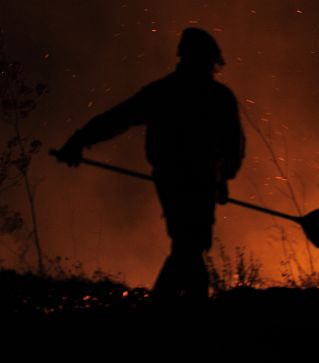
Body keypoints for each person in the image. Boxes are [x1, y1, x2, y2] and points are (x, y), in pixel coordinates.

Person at [56, 27, 245, 300]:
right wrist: (224, 177)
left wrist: (78, 141)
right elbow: (233, 145)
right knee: (190, 245)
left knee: (188, 246)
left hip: (174, 178)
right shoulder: (217, 96)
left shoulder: (165, 91)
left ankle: (171, 306)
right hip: (199, 179)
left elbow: (118, 118)